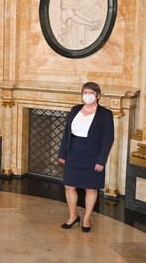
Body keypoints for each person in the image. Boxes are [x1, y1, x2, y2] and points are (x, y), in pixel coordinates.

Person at [58, 82, 114, 233]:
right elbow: (66, 133)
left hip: (93, 155)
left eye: (91, 93)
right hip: (73, 152)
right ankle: (73, 216)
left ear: (98, 96)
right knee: (69, 186)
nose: (87, 95)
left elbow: (108, 139)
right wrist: (62, 153)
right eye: (85, 92)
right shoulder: (75, 109)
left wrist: (101, 160)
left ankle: (87, 218)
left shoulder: (105, 114)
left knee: (90, 189)